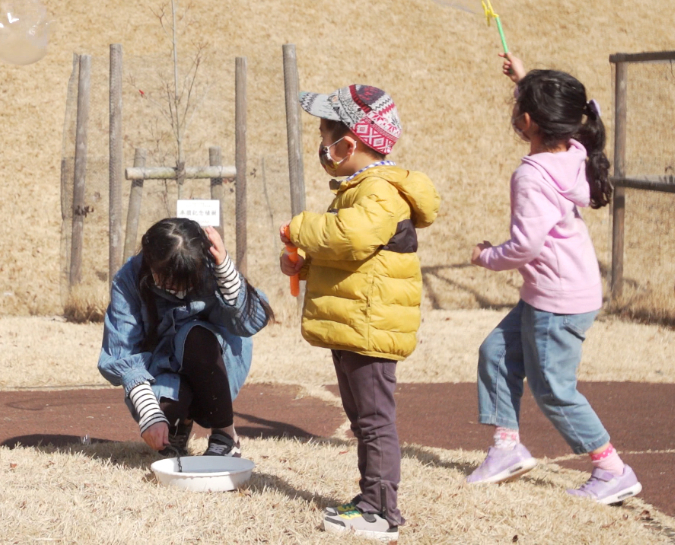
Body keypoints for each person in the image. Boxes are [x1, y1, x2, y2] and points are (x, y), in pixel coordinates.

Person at [466, 53, 642, 505]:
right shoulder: (575, 149)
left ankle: (611, 469)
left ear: (526, 121)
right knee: (497, 353)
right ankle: (507, 448)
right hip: (561, 291)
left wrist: (487, 256)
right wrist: (524, 78)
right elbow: (561, 120)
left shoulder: (532, 176)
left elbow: (525, 246)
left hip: (557, 301)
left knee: (554, 391)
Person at [280, 85, 439, 542]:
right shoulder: (359, 189)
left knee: (373, 420)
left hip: (370, 326)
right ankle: (370, 499)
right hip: (356, 324)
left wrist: (302, 227)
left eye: (324, 133)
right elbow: (354, 255)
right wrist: (305, 263)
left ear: (348, 145)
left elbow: (351, 237)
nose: (320, 143)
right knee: (362, 417)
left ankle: (381, 511)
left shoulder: (379, 192)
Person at [98, 218, 272, 458]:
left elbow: (251, 322)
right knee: (161, 413)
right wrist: (150, 414)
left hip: (216, 362)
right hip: (162, 369)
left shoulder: (212, 266)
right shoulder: (129, 279)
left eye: (188, 282)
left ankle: (225, 435)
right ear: (151, 265)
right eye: (168, 282)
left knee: (194, 335)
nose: (179, 291)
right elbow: (123, 354)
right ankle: (179, 426)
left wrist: (226, 271)